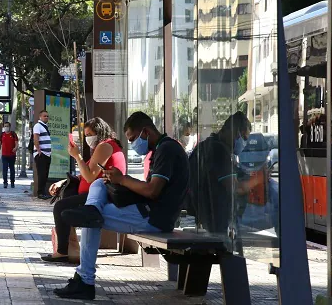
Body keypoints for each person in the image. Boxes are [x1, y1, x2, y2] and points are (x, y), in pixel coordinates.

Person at [54, 112, 190, 300]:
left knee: (90, 219)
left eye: (133, 138)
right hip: (147, 211)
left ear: (146, 132)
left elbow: (153, 191)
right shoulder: (161, 148)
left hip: (155, 217)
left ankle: (85, 281)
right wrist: (117, 180)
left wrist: (123, 179)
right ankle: (92, 210)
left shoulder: (167, 150)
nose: (133, 144)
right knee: (99, 185)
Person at [41, 117, 126, 263]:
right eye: (85, 135)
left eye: (89, 134)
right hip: (94, 192)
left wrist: (77, 156)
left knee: (61, 207)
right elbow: (84, 174)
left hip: (102, 195)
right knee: (66, 195)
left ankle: (62, 251)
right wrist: (62, 181)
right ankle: (68, 247)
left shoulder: (105, 146)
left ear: (99, 132)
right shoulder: (102, 147)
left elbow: (90, 177)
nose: (88, 138)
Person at [187, 111, 251, 251]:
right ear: (235, 132)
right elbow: (236, 188)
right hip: (214, 223)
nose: (243, 143)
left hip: (202, 218)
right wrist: (259, 178)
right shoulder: (219, 151)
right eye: (244, 137)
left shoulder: (207, 146)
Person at [33, 110, 52, 199]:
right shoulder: (38, 126)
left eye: (47, 116)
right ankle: (40, 193)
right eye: (44, 116)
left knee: (45, 174)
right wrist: (39, 151)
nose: (46, 117)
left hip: (47, 154)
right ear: (40, 117)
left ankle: (43, 192)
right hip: (42, 154)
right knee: (41, 174)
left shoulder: (45, 126)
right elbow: (36, 138)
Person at [0, 122, 18, 188]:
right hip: (4, 155)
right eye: (5, 126)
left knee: (12, 169)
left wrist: (15, 148)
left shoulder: (13, 134)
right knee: (5, 169)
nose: (6, 127)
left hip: (12, 155)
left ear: (10, 127)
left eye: (7, 126)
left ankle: (12, 182)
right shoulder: (2, 135)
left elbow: (17, 143)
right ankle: (5, 182)